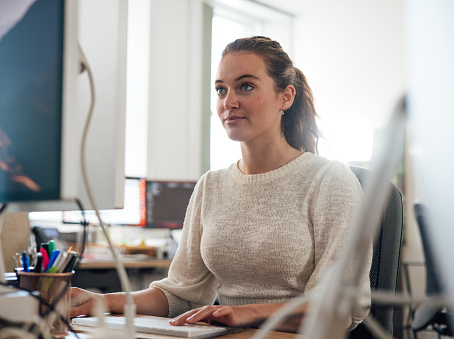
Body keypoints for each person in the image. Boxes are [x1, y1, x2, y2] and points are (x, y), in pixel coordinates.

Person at [69, 36, 371, 333]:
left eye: (246, 86)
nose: (229, 102)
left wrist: (245, 314)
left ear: (286, 97)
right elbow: (182, 293)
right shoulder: (210, 185)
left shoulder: (330, 180)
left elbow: (338, 306)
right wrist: (104, 300)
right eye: (220, 90)